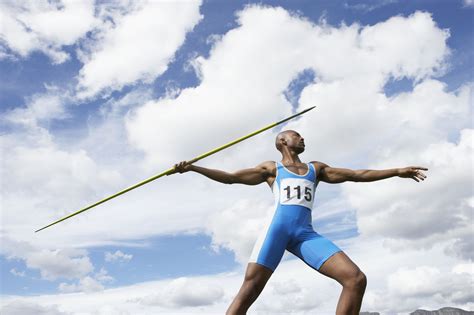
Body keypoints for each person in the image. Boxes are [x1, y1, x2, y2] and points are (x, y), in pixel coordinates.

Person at [171, 129, 428, 315]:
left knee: (355, 279)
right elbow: (230, 178)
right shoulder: (271, 169)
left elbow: (357, 174)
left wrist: (397, 171)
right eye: (297, 135)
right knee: (249, 291)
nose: (303, 138)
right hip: (277, 231)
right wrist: (194, 168)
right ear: (282, 141)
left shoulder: (316, 169)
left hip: (305, 235)